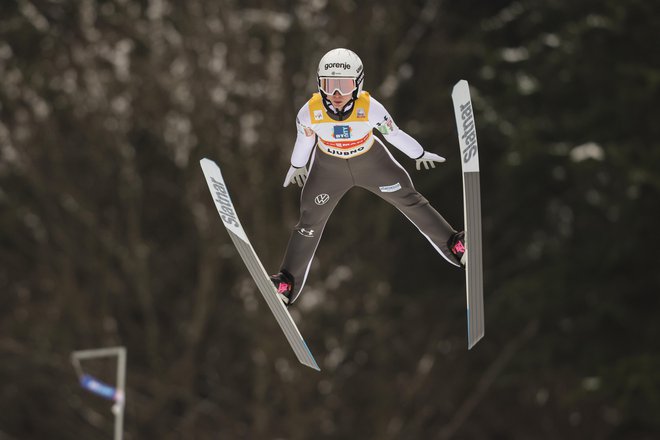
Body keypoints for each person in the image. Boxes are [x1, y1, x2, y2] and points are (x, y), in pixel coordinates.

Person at [270, 48, 465, 306]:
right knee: (309, 221)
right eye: (330, 86)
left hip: (371, 162)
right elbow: (304, 141)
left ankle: (455, 246)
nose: (337, 94)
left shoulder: (371, 108)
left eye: (345, 85)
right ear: (320, 85)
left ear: (358, 84)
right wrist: (297, 165)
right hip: (328, 168)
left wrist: (418, 153)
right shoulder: (309, 112)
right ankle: (286, 283)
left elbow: (393, 134)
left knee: (409, 199)